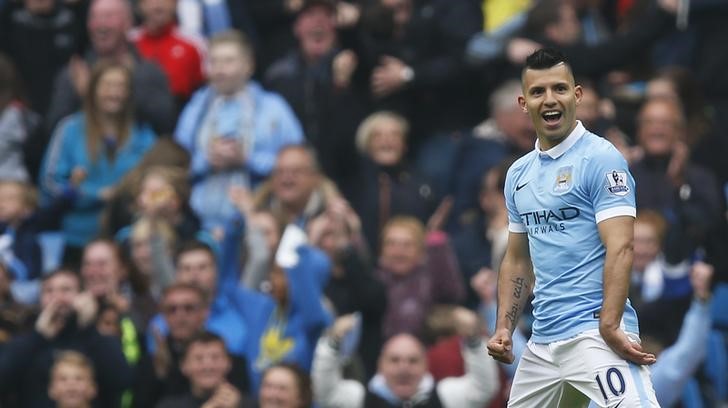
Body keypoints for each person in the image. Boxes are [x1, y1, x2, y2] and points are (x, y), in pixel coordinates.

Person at [486, 48, 659, 407]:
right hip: (543, 343)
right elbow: (518, 259)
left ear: (576, 95)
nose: (550, 100)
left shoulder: (601, 158)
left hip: (595, 333)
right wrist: (504, 326)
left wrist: (610, 325)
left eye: (559, 89)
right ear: (523, 102)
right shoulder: (518, 174)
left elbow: (621, 246)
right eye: (538, 92)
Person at [40, 61, 157, 264]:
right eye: (107, 85)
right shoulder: (70, 129)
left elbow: (155, 177)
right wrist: (93, 193)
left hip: (127, 236)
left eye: (120, 86)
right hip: (77, 238)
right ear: (93, 89)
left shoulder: (143, 133)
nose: (114, 93)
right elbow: (49, 183)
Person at [311, 312, 499, 407]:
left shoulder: (445, 397)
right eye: (394, 360)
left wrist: (474, 341)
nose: (404, 368)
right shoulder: (358, 399)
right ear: (380, 365)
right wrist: (332, 343)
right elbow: (325, 393)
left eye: (413, 361)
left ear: (426, 365)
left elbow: (483, 389)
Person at [155, 331, 249, 408]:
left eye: (215, 357)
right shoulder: (168, 406)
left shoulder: (253, 404)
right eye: (199, 359)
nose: (208, 367)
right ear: (184, 366)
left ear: (229, 363)